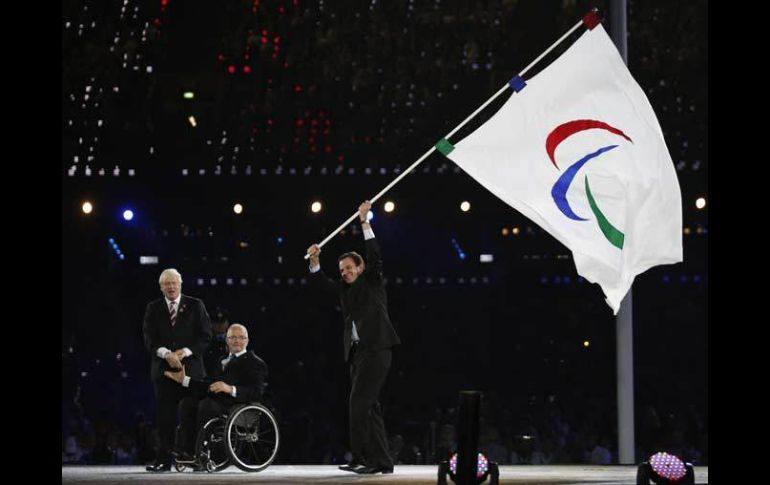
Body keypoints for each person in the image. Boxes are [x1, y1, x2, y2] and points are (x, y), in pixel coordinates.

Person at [306, 200, 401, 474]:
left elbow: (374, 255)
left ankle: (365, 459)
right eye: (342, 270)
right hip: (358, 353)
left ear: (359, 268)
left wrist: (364, 222)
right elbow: (321, 285)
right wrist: (315, 261)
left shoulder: (371, 280)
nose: (345, 272)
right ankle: (382, 462)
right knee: (369, 408)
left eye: (349, 267)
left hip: (377, 349)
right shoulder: (344, 291)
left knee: (358, 405)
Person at [164, 323, 268, 463]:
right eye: (233, 337)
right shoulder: (221, 360)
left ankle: (201, 452)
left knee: (206, 406)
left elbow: (256, 392)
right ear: (227, 340)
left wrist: (230, 389)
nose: (237, 340)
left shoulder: (255, 363)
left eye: (241, 337)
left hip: (237, 406)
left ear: (247, 340)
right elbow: (209, 383)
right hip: (217, 401)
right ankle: (185, 450)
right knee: (187, 403)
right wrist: (184, 380)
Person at [142, 268, 212, 472]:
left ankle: (194, 458)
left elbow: (206, 336)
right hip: (163, 371)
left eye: (174, 283)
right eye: (167, 283)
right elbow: (149, 339)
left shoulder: (195, 305)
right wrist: (167, 354)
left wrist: (186, 352)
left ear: (180, 284)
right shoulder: (153, 308)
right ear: (161, 287)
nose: (171, 287)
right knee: (165, 417)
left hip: (191, 372)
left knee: (193, 413)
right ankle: (164, 460)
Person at [203, 308, 231, 377]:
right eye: (216, 322)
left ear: (227, 323)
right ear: (211, 323)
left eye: (222, 321)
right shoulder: (205, 340)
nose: (219, 325)